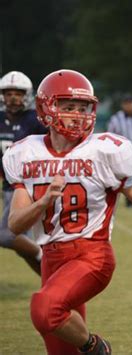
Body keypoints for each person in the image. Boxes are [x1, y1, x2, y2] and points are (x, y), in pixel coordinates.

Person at [3, 69, 132, 355]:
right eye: (69, 106)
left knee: (44, 308)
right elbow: (14, 225)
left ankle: (96, 347)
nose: (78, 114)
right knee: (57, 343)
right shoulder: (24, 152)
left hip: (92, 255)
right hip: (51, 258)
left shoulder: (105, 150)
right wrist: (43, 203)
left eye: (84, 107)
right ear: (45, 108)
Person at [0, 71, 47, 275]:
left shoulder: (35, 120)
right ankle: (49, 281)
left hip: (28, 186)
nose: (12, 97)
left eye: (17, 93)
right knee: (21, 246)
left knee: (6, 235)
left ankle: (44, 256)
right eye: (8, 93)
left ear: (26, 95)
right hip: (8, 186)